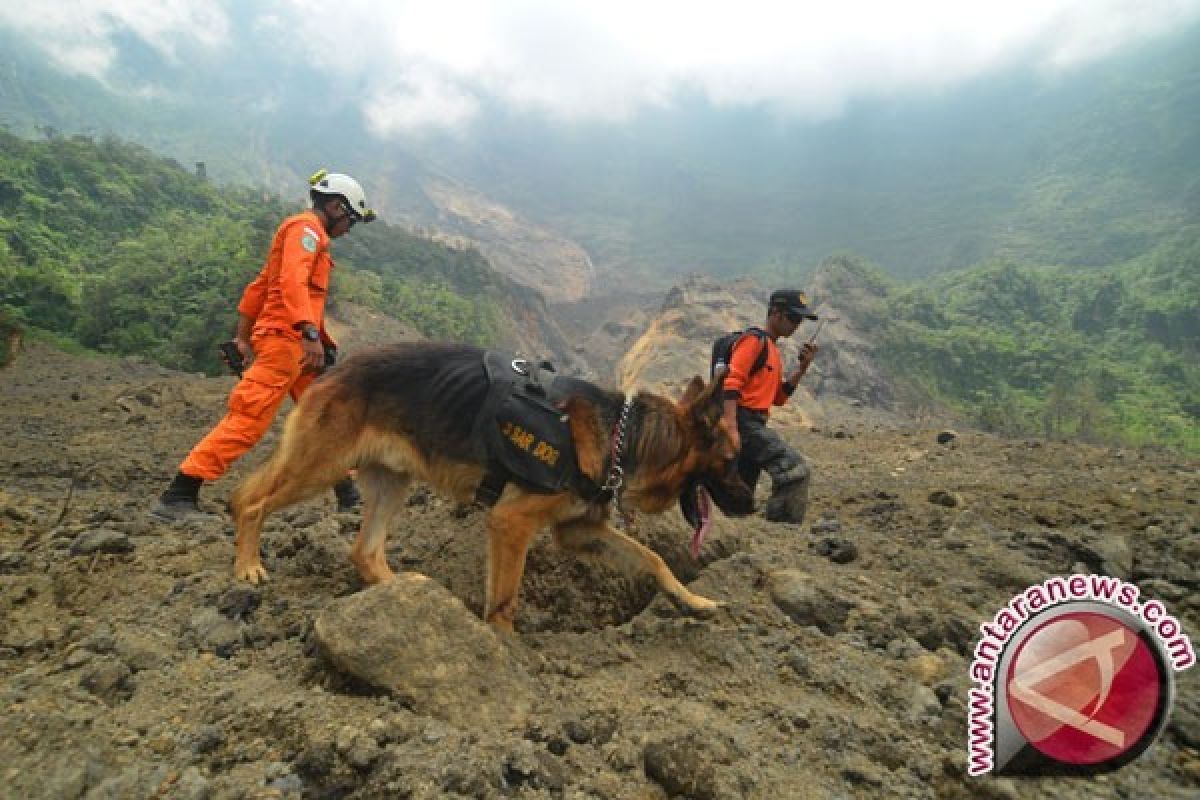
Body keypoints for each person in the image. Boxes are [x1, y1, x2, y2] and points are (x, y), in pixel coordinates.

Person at [150, 170, 375, 522]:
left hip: (299, 347)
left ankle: (350, 498)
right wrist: (308, 333)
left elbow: (260, 287)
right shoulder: (306, 231)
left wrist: (242, 336)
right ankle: (179, 495)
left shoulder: (302, 234)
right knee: (249, 419)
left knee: (326, 419)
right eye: (351, 219)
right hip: (287, 344)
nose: (349, 229)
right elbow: (291, 282)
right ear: (334, 206)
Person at [720, 289, 818, 524]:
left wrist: (802, 368)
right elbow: (731, 381)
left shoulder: (773, 351)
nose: (796, 325)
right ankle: (782, 530)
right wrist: (731, 428)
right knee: (795, 471)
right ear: (776, 313)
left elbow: (778, 398)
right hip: (745, 423)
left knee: (740, 496)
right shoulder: (754, 341)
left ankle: (731, 530)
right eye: (793, 318)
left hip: (755, 422)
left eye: (800, 320)